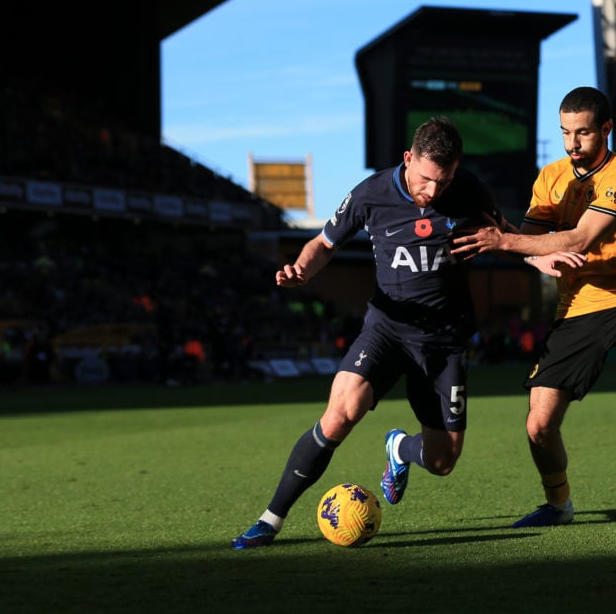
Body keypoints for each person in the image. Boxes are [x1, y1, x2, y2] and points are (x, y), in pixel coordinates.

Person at [231, 116, 579, 549]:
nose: (432, 192)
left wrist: (539, 260)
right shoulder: (370, 194)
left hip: (444, 343)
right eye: (426, 179)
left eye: (444, 180)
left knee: (443, 460)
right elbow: (323, 243)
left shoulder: (470, 191)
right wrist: (303, 268)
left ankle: (399, 450)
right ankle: (270, 519)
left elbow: (504, 235)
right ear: (408, 159)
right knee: (340, 413)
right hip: (387, 331)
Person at [452, 86, 616, 526]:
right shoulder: (550, 177)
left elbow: (581, 238)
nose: (572, 144)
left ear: (606, 129)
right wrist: (516, 241)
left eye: (582, 133)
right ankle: (558, 504)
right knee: (538, 426)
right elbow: (530, 239)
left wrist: (505, 241)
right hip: (576, 309)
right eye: (565, 133)